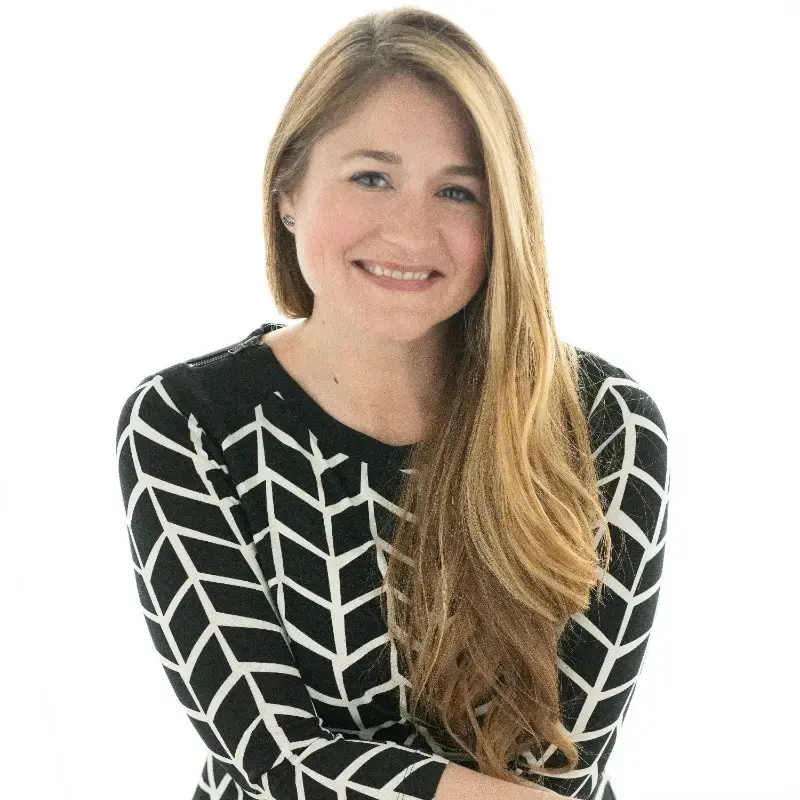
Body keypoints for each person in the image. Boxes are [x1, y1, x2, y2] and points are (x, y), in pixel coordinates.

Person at [115, 7, 669, 800]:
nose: (412, 232)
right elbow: (276, 759)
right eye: (371, 177)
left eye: (458, 191)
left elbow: (562, 769)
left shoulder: (603, 425)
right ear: (288, 192)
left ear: (504, 218)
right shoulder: (186, 421)